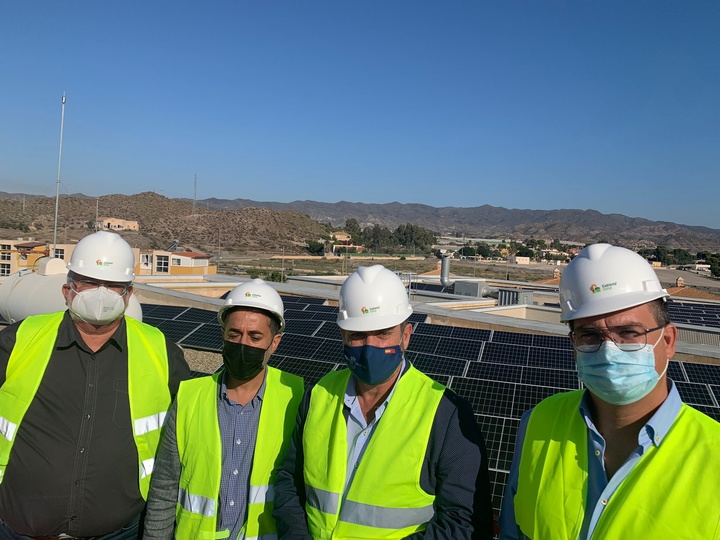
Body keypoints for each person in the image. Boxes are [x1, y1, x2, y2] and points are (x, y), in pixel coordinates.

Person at [499, 243, 720, 539]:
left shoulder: (713, 456)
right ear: (574, 345)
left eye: (629, 333)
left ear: (668, 340)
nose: (609, 350)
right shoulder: (538, 422)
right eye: (590, 335)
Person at [273, 264, 495, 539]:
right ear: (342, 335)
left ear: (406, 336)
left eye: (383, 333)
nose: (371, 346)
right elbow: (289, 482)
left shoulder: (446, 414)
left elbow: (463, 523)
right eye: (357, 335)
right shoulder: (319, 394)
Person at [0, 230, 190, 538]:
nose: (101, 293)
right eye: (89, 281)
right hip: (19, 529)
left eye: (114, 285)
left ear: (129, 294)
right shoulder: (21, 338)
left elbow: (197, 412)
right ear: (67, 289)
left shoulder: (160, 350)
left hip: (119, 531)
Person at [143, 279, 304, 539]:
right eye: (234, 334)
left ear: (274, 343)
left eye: (255, 337)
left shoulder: (296, 398)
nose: (243, 344)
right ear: (223, 334)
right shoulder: (189, 397)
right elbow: (164, 489)